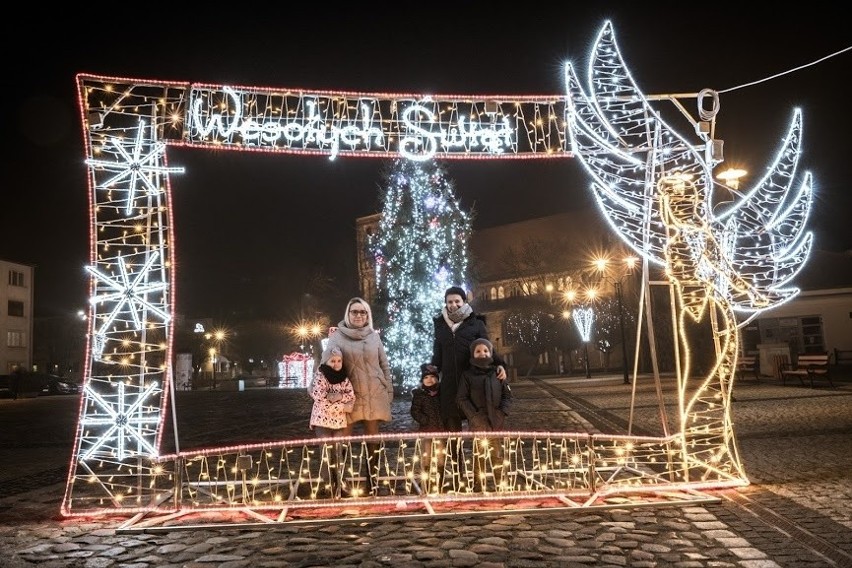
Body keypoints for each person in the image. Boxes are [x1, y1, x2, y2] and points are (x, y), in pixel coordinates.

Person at [325, 297, 394, 496]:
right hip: (349, 396)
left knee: (373, 440)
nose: (358, 315)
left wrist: (388, 389)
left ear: (367, 315)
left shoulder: (374, 336)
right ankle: (338, 483)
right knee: (341, 440)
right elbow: (326, 364)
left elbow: (384, 364)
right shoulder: (337, 337)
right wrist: (322, 390)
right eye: (355, 311)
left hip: (374, 393)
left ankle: (372, 482)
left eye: (362, 312)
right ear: (348, 313)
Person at [430, 286, 506, 432]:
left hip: (473, 382)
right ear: (446, 303)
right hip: (449, 384)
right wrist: (431, 372)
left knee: (480, 425)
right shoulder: (440, 325)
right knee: (452, 429)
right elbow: (437, 354)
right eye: (450, 302)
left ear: (464, 301)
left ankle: (481, 455)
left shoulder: (476, 323)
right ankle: (455, 456)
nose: (453, 305)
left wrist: (499, 364)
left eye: (457, 301)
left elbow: (488, 347)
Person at [456, 338, 513, 492]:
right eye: (478, 351)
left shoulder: (498, 373)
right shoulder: (467, 375)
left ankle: (500, 484)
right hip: (478, 423)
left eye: (485, 350)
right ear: (473, 354)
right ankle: (478, 485)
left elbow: (507, 396)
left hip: (496, 422)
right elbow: (461, 398)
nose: (482, 353)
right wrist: (473, 416)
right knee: (478, 456)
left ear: (491, 352)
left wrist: (502, 413)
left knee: (497, 455)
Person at [308, 345, 355, 497]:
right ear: (326, 362)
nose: (336, 364)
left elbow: (351, 396)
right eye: (332, 361)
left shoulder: (344, 378)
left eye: (338, 360)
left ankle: (340, 481)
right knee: (325, 453)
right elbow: (320, 399)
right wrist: (342, 406)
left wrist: (338, 398)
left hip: (339, 422)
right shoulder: (320, 377)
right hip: (322, 421)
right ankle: (326, 483)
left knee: (339, 453)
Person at [410, 363, 444, 492]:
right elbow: (415, 411)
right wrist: (424, 420)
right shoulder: (419, 395)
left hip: (441, 430)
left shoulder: (442, 393)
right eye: (426, 377)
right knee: (426, 456)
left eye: (432, 377)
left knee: (441, 457)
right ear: (422, 380)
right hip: (426, 429)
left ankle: (440, 482)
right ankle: (427, 480)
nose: (430, 379)